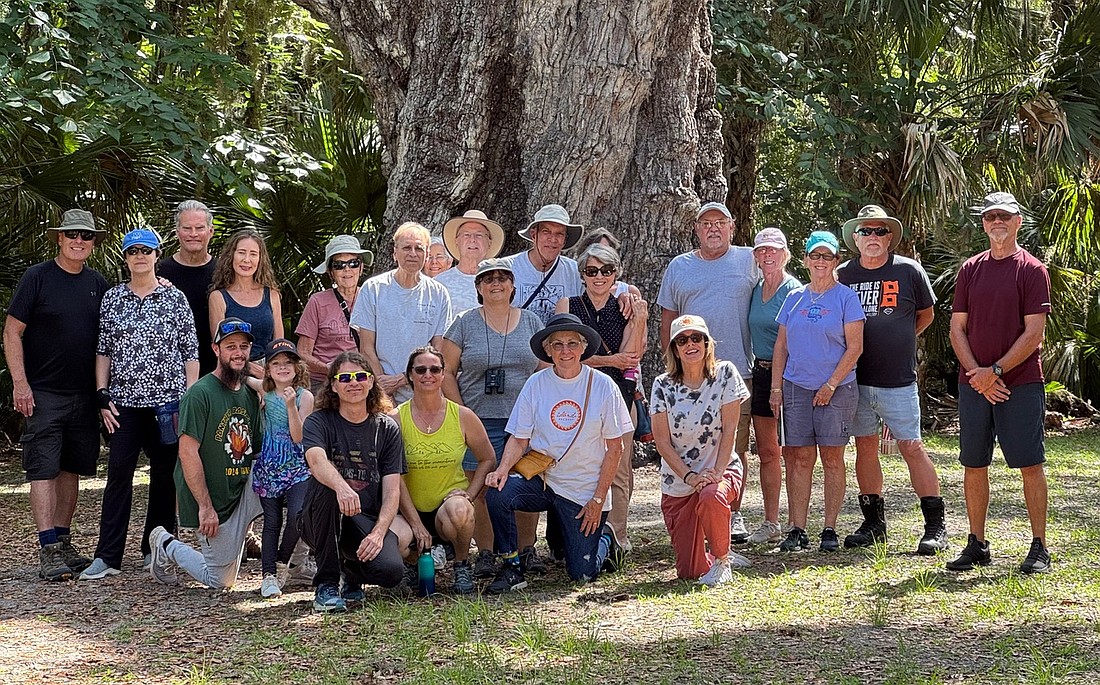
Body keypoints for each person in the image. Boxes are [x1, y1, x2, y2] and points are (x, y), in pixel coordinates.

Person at [80, 228, 200, 580]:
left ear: (156, 255)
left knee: (165, 477)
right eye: (133, 251)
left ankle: (156, 549)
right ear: (126, 257)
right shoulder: (114, 298)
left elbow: (189, 352)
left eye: (146, 251)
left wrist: (188, 398)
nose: (140, 257)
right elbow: (104, 350)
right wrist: (101, 393)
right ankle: (108, 556)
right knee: (119, 473)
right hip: (125, 403)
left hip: (168, 402)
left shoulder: (175, 298)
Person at [484, 313, 633, 593]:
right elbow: (519, 437)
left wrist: (598, 498)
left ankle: (606, 542)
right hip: (543, 480)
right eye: (558, 345)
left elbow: (616, 447)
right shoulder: (536, 384)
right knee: (499, 493)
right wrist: (502, 470)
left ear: (583, 347)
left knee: (582, 575)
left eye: (572, 344)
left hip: (583, 489)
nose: (565, 351)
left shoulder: (603, 386)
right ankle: (512, 567)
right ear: (548, 350)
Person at [947, 191, 1052, 574]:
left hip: (1019, 384)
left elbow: (1033, 334)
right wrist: (978, 375)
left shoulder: (1032, 270)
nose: (997, 222)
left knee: (1029, 463)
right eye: (991, 216)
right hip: (975, 384)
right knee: (974, 464)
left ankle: (1039, 545)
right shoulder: (970, 269)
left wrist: (996, 371)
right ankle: (977, 543)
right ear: (983, 223)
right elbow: (957, 328)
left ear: (1017, 222)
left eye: (1004, 216)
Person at [4, 209, 108, 581]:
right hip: (43, 393)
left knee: (72, 469)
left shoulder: (98, 283)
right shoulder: (38, 278)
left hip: (83, 393)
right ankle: (47, 547)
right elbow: (12, 331)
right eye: (72, 235)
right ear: (59, 238)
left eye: (86, 236)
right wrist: (20, 382)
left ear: (93, 242)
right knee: (43, 468)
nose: (79, 241)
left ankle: (63, 542)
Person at [836, 204, 947, 554]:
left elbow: (926, 314)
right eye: (865, 231)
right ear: (855, 237)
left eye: (879, 231)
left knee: (911, 447)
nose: (872, 237)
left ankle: (935, 526)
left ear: (890, 238)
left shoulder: (909, 271)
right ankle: (873, 524)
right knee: (865, 447)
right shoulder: (842, 275)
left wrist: (901, 337)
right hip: (855, 378)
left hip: (897, 379)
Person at [657, 201, 759, 542]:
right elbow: (668, 320)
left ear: (732, 227)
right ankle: (697, 507)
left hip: (735, 370)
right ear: (696, 230)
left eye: (720, 222)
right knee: (687, 444)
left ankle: (732, 513)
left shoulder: (749, 260)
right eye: (705, 223)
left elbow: (775, 289)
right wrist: (672, 367)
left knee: (735, 445)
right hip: (687, 376)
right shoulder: (679, 266)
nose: (713, 228)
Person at [439, 258, 545, 579]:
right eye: (488, 279)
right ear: (478, 287)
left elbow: (543, 369)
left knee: (524, 482)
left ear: (513, 285)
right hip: (478, 420)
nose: (495, 283)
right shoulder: (463, 323)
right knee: (480, 488)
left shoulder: (532, 322)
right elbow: (446, 372)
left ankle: (527, 549)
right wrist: (463, 415)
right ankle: (486, 552)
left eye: (502, 278)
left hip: (523, 422)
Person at [147, 318, 265, 590]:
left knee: (298, 485)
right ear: (216, 349)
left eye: (244, 347)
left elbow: (257, 450)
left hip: (243, 489)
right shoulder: (199, 394)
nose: (238, 352)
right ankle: (166, 544)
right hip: (215, 500)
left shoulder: (249, 393)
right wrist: (205, 507)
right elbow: (187, 454)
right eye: (231, 346)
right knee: (220, 581)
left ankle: (293, 567)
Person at [770, 231, 865, 553]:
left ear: (836, 261)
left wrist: (830, 385)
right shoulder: (794, 298)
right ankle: (797, 528)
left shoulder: (846, 298)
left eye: (827, 256)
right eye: (815, 256)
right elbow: (780, 346)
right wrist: (776, 387)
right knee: (797, 458)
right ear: (806, 260)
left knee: (832, 458)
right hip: (796, 386)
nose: (820, 261)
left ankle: (830, 528)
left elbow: (855, 349)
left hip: (837, 389)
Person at [555, 243, 647, 564]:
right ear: (582, 274)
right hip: (576, 397)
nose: (599, 277)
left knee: (619, 469)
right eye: (592, 271)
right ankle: (576, 536)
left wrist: (639, 320)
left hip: (617, 396)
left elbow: (632, 356)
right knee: (577, 468)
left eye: (606, 271)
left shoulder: (624, 307)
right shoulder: (569, 305)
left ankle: (616, 536)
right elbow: (563, 355)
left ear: (615, 275)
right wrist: (610, 359)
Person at [299, 352, 413, 611]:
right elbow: (316, 460)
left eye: (361, 376)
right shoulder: (319, 421)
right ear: (334, 385)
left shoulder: (387, 428)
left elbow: (392, 490)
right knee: (326, 484)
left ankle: (350, 574)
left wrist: (378, 533)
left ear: (372, 382)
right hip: (319, 517)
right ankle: (326, 584)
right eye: (345, 378)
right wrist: (342, 487)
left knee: (391, 572)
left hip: (363, 519)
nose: (354, 383)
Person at [653, 315, 750, 585]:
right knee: (690, 572)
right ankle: (718, 552)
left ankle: (722, 560)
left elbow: (731, 429)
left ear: (707, 344)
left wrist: (716, 473)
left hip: (719, 471)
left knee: (711, 496)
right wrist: (690, 477)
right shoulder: (662, 385)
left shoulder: (726, 373)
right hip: (679, 482)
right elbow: (662, 442)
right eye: (682, 340)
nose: (690, 344)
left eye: (697, 338)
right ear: (674, 348)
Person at [394, 346, 496, 594]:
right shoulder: (395, 418)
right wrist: (415, 523)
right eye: (420, 369)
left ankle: (461, 564)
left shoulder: (462, 415)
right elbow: (393, 475)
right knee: (395, 541)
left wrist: (470, 494)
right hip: (407, 509)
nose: (427, 374)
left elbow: (488, 458)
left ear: (443, 375)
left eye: (435, 369)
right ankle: (412, 564)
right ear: (409, 375)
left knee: (460, 511)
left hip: (447, 507)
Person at [350, 221, 452, 404]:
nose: (413, 254)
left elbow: (439, 349)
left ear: (427, 254)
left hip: (424, 391)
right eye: (406, 248)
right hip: (381, 392)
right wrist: (382, 387)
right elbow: (366, 347)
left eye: (419, 249)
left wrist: (404, 379)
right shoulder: (373, 289)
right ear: (395, 253)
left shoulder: (438, 293)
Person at [244, 339, 315, 598]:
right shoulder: (264, 389)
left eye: (288, 363)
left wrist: (290, 406)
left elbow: (299, 437)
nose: (282, 368)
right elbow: (242, 379)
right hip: (270, 465)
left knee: (298, 516)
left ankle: (282, 563)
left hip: (297, 466)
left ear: (297, 367)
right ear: (268, 369)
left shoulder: (304, 397)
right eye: (276, 363)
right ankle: (268, 575)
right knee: (271, 521)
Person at [744, 227, 800, 545]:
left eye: (773, 250)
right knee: (767, 452)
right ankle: (771, 521)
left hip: (789, 377)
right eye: (762, 250)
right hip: (761, 373)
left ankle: (796, 523)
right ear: (755, 256)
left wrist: (780, 385)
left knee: (792, 452)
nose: (767, 255)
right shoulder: (754, 289)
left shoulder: (794, 290)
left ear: (785, 254)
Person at [296, 235, 374, 392]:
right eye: (339, 265)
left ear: (361, 267)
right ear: (330, 272)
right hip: (323, 382)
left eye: (353, 263)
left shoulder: (372, 298)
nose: (347, 270)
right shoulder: (317, 301)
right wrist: (328, 368)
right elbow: (303, 352)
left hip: (360, 381)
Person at [158, 200, 218, 374]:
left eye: (199, 228)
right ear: (177, 232)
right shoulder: (158, 272)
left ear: (210, 231)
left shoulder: (224, 271)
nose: (193, 234)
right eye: (187, 228)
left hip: (216, 370)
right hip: (169, 372)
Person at [208, 229, 283, 362]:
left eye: (253, 254)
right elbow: (221, 349)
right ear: (232, 255)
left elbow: (279, 345)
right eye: (241, 253)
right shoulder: (218, 297)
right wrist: (252, 372)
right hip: (233, 370)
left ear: (260, 259)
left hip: (269, 371)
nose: (247, 260)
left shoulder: (272, 294)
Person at [503, 204, 584, 325]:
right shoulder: (507, 268)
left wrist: (622, 296)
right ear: (534, 235)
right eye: (546, 232)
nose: (553, 239)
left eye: (559, 234)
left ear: (564, 240)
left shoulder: (575, 272)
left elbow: (599, 296)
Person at [435, 210, 505, 319]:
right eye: (466, 235)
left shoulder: (503, 283)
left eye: (479, 235)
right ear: (456, 241)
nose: (472, 240)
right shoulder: (439, 284)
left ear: (489, 242)